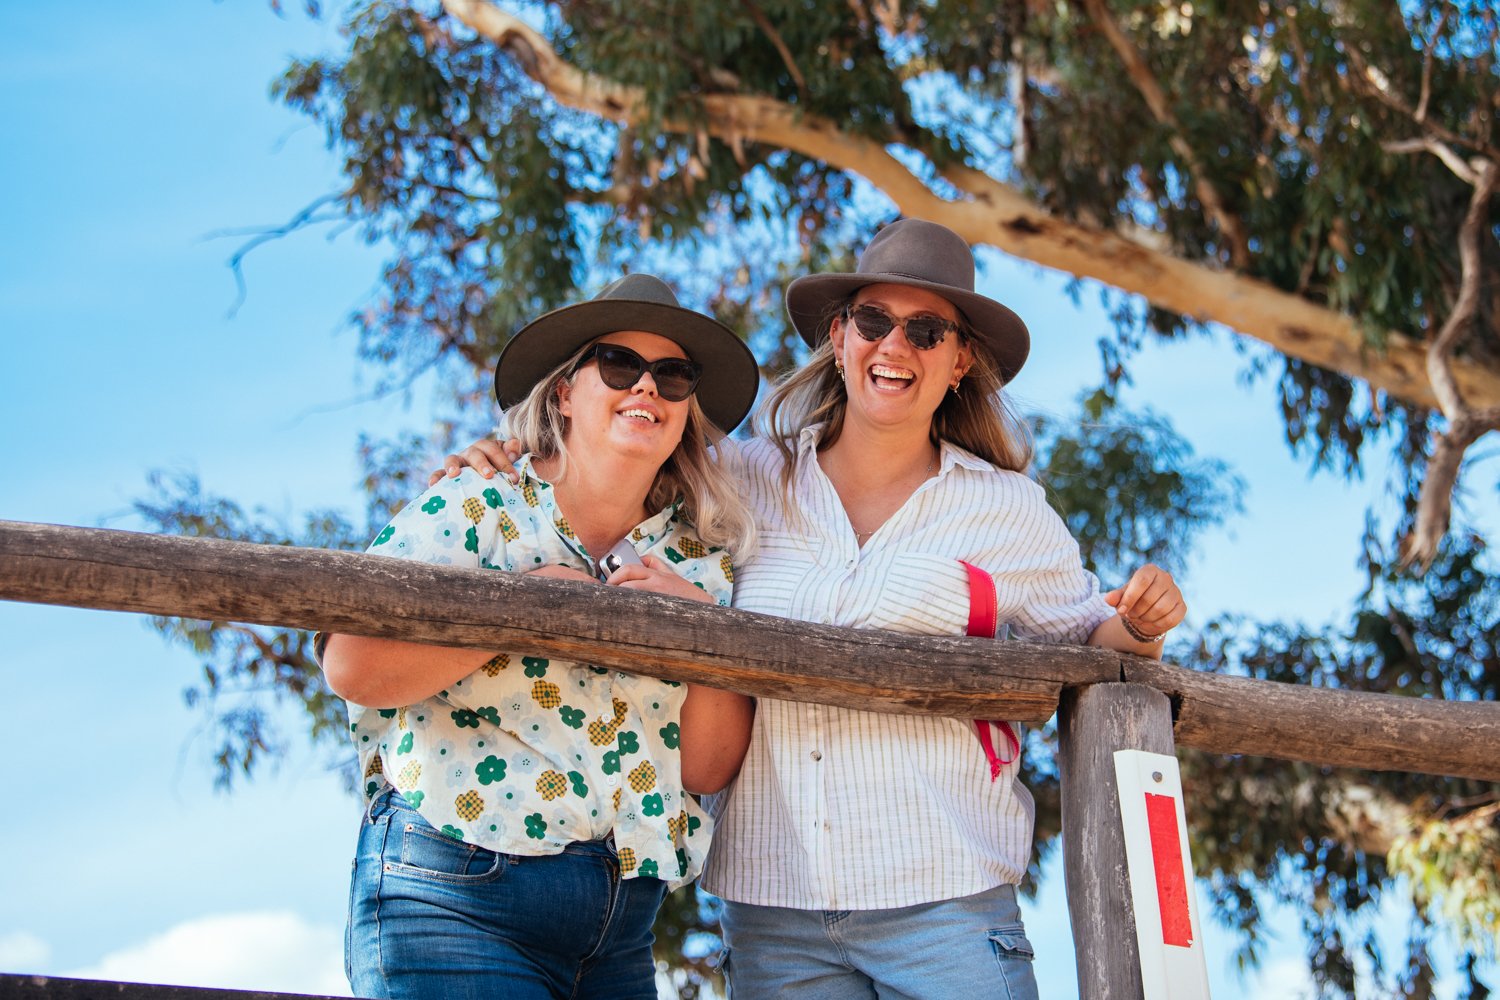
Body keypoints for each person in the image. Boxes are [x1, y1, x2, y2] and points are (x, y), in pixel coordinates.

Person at [438, 219, 1187, 999]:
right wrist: (504, 459)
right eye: (874, 322)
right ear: (839, 336)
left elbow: (1092, 640)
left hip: (947, 903)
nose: (895, 346)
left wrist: (1139, 622)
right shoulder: (743, 479)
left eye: (927, 332)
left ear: (960, 361)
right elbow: (617, 465)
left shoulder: (1010, 511)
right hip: (774, 913)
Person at [321, 273, 762, 1000]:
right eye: (620, 365)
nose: (647, 388)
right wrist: (522, 611)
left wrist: (703, 633)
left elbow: (708, 768)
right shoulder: (475, 505)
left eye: (673, 375)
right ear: (564, 392)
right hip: (454, 897)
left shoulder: (698, 562)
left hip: (619, 931)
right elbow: (352, 663)